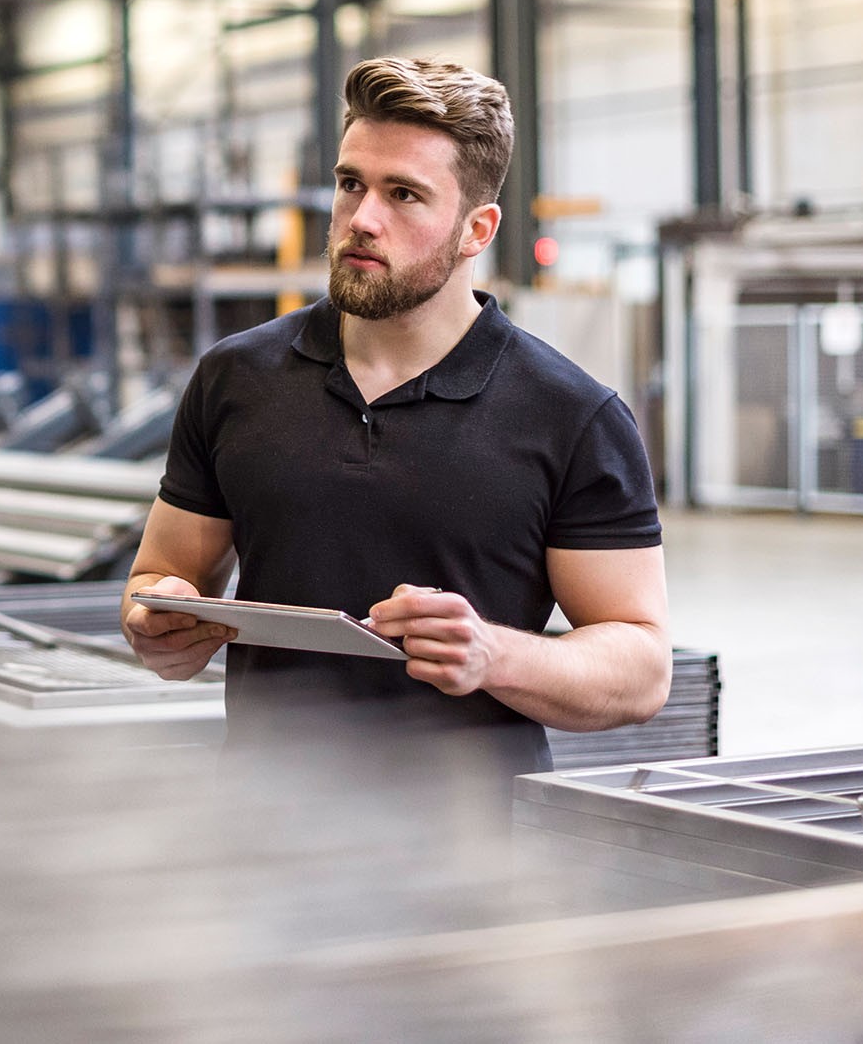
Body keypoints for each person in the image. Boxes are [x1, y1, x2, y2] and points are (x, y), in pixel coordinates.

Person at [119, 56, 669, 779]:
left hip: (468, 853)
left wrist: (493, 654)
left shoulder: (572, 416)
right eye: (352, 185)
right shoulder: (236, 378)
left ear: (477, 229)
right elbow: (160, 576)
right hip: (257, 839)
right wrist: (158, 619)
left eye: (404, 194)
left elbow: (641, 666)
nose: (362, 219)